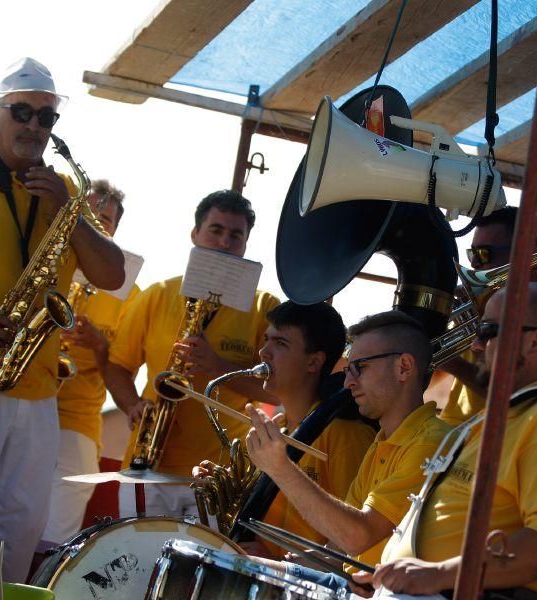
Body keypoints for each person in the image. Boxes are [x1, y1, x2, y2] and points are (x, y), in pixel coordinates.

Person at [0, 58, 125, 582]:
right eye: (22, 112)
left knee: (18, 529)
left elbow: (110, 273)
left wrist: (67, 209)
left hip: (34, 391)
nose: (34, 127)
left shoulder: (62, 194)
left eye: (47, 118)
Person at [354, 285, 537, 599]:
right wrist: (389, 573)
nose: (474, 345)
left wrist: (436, 575)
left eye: (488, 332)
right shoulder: (506, 417)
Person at [243, 310, 452, 588]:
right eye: (348, 370)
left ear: (403, 367)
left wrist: (280, 468)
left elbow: (358, 537)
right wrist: (287, 563)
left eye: (360, 368)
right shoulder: (382, 442)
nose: (347, 382)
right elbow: (342, 549)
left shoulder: (431, 442)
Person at [105, 190, 279, 519]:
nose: (225, 242)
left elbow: (278, 387)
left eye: (235, 235)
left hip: (217, 473)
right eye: (215, 230)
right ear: (195, 234)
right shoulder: (158, 295)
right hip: (148, 463)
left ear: (245, 244)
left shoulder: (265, 307)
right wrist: (132, 405)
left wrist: (218, 366)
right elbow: (117, 366)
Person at [198, 301, 375, 556]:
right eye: (266, 339)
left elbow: (352, 541)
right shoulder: (278, 429)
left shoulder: (346, 436)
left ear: (314, 362)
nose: (263, 352)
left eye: (280, 344)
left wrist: (277, 561)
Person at [40, 180, 139, 548]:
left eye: (108, 220)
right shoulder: (45, 258)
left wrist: (100, 346)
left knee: (54, 541)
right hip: (25, 403)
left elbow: (124, 366)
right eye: (91, 214)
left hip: (77, 423)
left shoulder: (130, 291)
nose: (99, 223)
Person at [438, 206, 517, 426]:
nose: (473, 264)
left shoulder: (533, 313)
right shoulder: (480, 305)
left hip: (487, 431)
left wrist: (448, 359)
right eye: (472, 253)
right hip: (454, 426)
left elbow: (509, 392)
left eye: (484, 254)